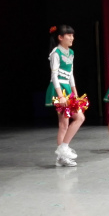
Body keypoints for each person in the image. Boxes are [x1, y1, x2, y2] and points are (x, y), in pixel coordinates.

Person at [45, 25, 85, 167]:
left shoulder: (71, 52)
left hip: (67, 89)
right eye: (69, 35)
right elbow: (54, 76)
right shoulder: (55, 53)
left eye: (72, 35)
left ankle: (62, 153)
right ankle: (63, 150)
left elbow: (70, 74)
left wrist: (75, 93)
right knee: (66, 123)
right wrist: (60, 95)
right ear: (60, 37)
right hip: (59, 89)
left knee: (70, 121)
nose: (72, 38)